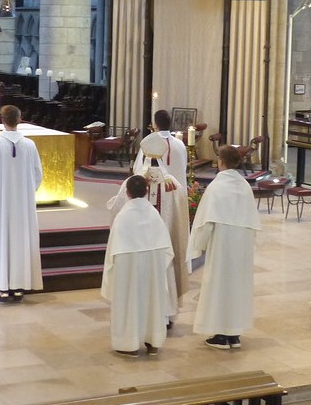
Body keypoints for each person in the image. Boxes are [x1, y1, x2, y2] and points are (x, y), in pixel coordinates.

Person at [107, 133, 189, 326]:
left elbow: (116, 208)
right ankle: (165, 315)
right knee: (162, 272)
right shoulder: (174, 185)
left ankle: (138, 315)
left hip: (137, 248)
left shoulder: (133, 183)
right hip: (163, 247)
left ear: (143, 156)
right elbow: (182, 219)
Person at [187, 145, 261, 350]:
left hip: (223, 243)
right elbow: (252, 220)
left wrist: (198, 246)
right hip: (242, 244)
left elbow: (205, 221)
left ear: (220, 162)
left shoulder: (217, 187)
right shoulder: (244, 186)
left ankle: (221, 335)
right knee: (237, 286)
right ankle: (234, 334)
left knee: (220, 286)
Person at [101, 175, 174, 357]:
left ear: (127, 193)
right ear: (147, 191)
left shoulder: (123, 217)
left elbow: (112, 252)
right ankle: (153, 342)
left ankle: (128, 344)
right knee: (151, 300)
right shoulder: (154, 215)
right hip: (152, 267)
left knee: (129, 300)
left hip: (128, 268)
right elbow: (167, 250)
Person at [0, 105, 43, 303]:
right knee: (21, 240)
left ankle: (2, 288)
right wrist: (24, 189)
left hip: (3, 202)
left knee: (2, 239)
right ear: (20, 118)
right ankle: (18, 287)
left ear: (2, 120)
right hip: (23, 204)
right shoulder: (30, 145)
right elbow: (37, 175)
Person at [134, 109, 188, 190]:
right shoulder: (180, 144)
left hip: (157, 192)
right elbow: (184, 167)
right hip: (178, 190)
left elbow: (139, 168)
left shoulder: (149, 142)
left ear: (155, 125)